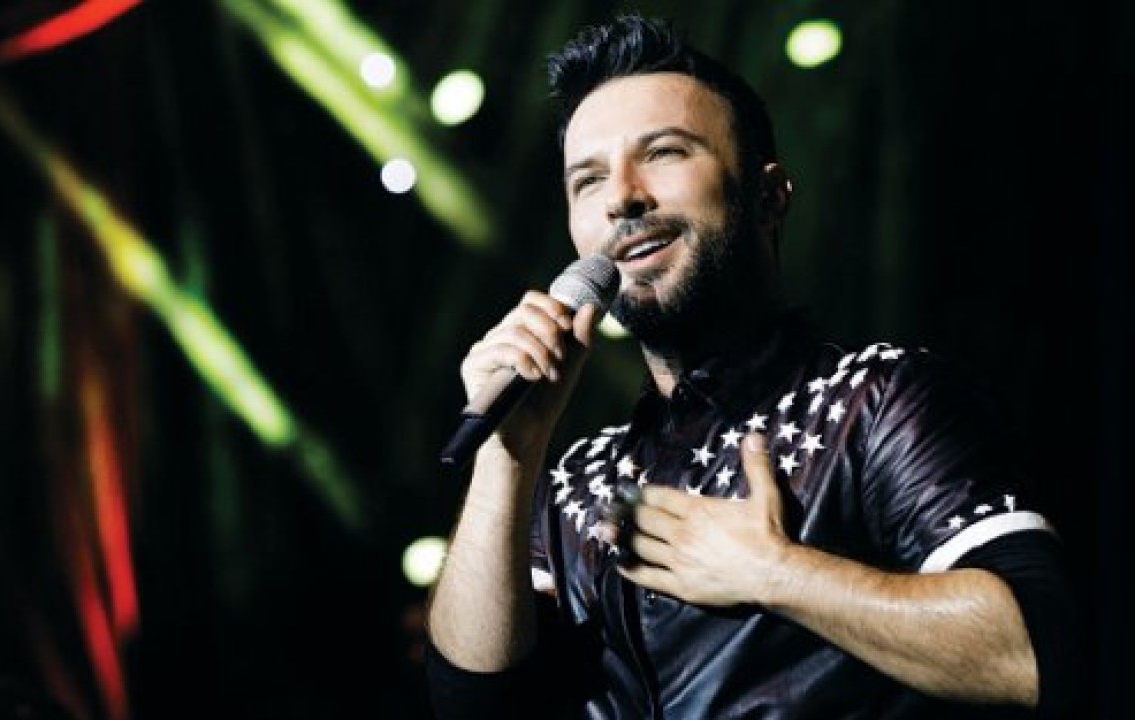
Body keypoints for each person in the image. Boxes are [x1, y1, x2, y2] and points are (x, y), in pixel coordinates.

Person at [423, 13, 1079, 720]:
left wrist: (777, 573)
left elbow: (1038, 654)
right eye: (588, 180)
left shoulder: (879, 400)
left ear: (767, 196)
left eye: (664, 152)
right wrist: (507, 458)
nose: (622, 196)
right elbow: (474, 705)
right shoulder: (575, 481)